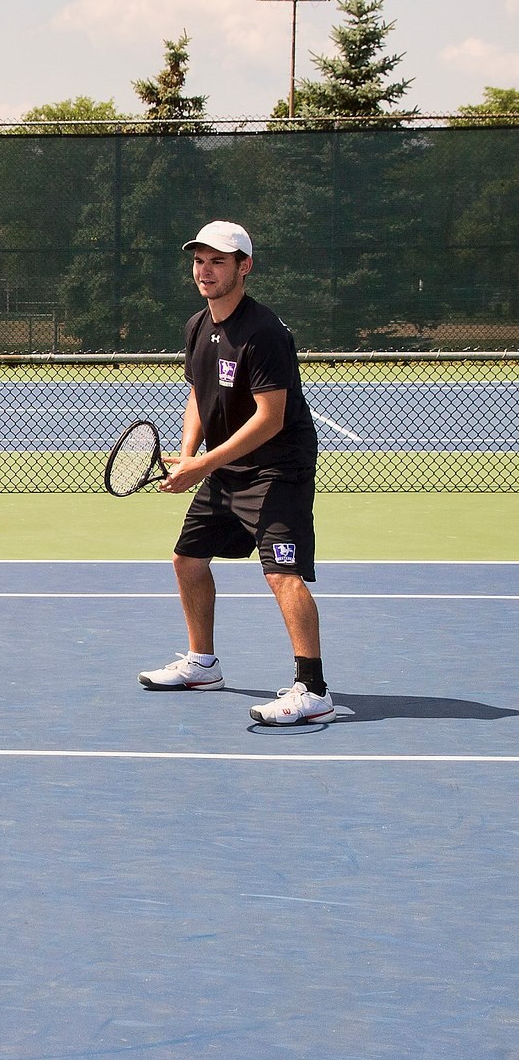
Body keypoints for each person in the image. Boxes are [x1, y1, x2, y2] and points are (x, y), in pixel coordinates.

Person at [138, 221, 332, 726]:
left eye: (218, 261)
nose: (205, 270)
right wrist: (186, 453)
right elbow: (201, 397)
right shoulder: (197, 327)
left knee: (281, 573)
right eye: (199, 261)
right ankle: (202, 663)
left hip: (277, 471)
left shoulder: (264, 332)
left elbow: (270, 417)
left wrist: (202, 463)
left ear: (244, 267)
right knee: (188, 560)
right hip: (228, 471)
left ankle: (312, 689)